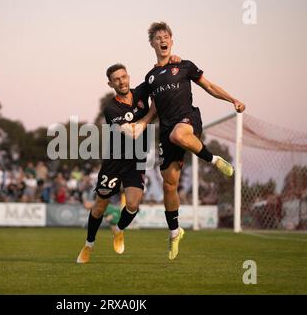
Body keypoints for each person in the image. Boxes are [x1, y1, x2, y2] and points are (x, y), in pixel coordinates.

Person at [144, 22, 246, 260]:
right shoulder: (150, 78)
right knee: (169, 185)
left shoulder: (184, 65)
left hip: (187, 120)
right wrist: (140, 125)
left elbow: (209, 86)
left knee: (179, 135)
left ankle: (215, 159)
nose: (163, 40)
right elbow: (153, 110)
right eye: (158, 37)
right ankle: (174, 232)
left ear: (172, 40)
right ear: (152, 44)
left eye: (166, 36)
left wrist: (233, 100)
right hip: (165, 128)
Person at [76, 58, 179, 263]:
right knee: (99, 207)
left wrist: (171, 61)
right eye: (116, 79)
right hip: (114, 162)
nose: (121, 81)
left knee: (133, 204)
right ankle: (88, 245)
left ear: (128, 77)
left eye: (123, 77)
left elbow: (160, 77)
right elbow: (132, 132)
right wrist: (152, 112)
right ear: (110, 84)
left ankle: (119, 229)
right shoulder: (111, 109)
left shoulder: (142, 91)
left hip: (136, 160)